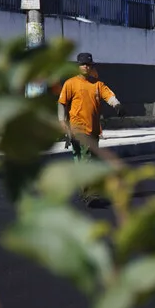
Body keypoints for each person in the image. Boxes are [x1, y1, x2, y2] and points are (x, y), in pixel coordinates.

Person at [58, 52, 125, 207]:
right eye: (83, 64)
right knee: (87, 160)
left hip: (93, 130)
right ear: (78, 66)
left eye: (88, 64)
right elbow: (61, 103)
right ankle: (90, 194)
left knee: (86, 161)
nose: (86, 67)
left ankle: (84, 191)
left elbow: (108, 95)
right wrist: (62, 122)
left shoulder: (97, 84)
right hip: (77, 128)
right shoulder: (70, 83)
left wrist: (117, 106)